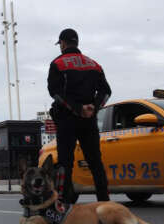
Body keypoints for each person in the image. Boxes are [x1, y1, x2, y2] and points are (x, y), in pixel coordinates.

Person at [47, 28, 112, 203]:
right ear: (76, 43)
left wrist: (77, 109)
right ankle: (104, 203)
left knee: (65, 165)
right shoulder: (94, 65)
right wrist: (94, 108)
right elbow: (106, 92)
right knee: (95, 163)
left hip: (67, 120)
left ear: (62, 43)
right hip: (89, 121)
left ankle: (63, 205)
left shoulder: (58, 64)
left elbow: (55, 93)